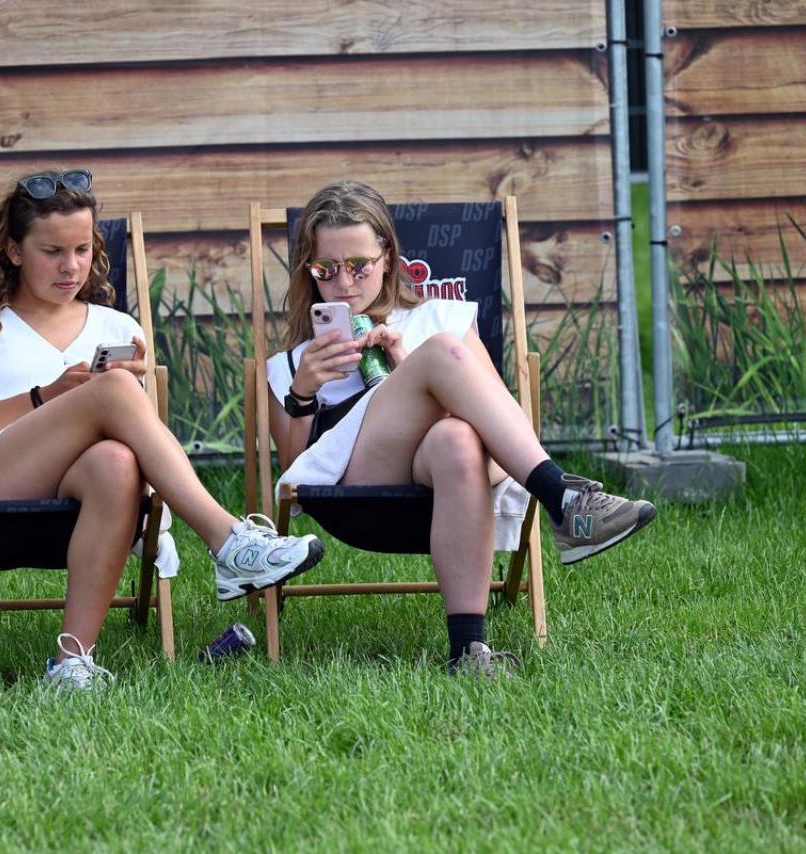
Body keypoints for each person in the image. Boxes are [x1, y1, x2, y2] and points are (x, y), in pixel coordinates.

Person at [0, 169, 324, 690]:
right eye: (52, 251)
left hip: (86, 495)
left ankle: (71, 663)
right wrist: (48, 395)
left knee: (117, 461)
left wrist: (109, 399)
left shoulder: (117, 327)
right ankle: (227, 541)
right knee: (111, 389)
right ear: (13, 251)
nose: (71, 266)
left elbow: (136, 443)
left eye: (82, 249)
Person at [266, 181, 657, 677]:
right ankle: (563, 499)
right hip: (356, 491)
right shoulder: (293, 364)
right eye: (327, 269)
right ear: (309, 269)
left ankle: (468, 651)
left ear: (387, 259)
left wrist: (405, 366)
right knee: (444, 351)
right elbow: (294, 479)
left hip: (450, 472)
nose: (344, 282)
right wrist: (303, 391)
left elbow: (502, 422)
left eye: (359, 265)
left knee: (457, 435)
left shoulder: (441, 317)